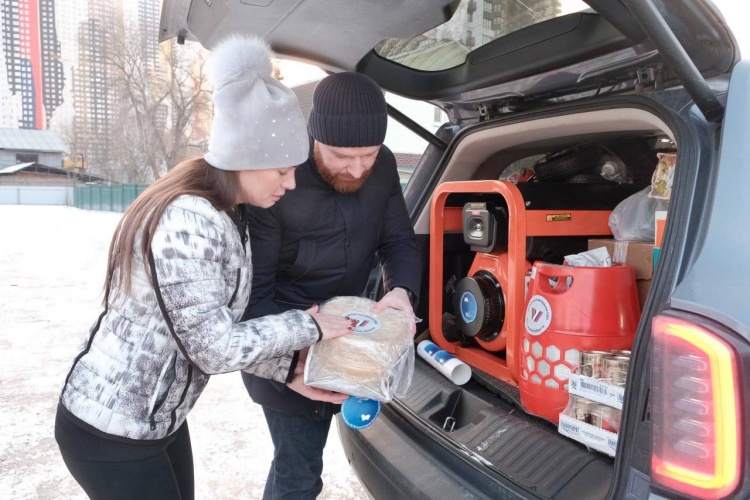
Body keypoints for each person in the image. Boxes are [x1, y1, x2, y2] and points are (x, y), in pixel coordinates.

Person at [54, 36, 355, 500]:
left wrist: (291, 373)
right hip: (109, 434)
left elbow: (213, 327)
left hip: (158, 422)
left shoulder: (232, 214)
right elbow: (213, 349)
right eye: (282, 169)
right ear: (246, 157)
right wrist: (308, 326)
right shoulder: (188, 221)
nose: (292, 183)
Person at [241, 72, 423, 499]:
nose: (357, 168)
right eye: (342, 155)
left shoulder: (382, 170)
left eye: (369, 155)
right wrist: (289, 364)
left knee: (299, 468)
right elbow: (254, 295)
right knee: (299, 472)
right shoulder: (278, 178)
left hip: (353, 336)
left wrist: (402, 291)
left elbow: (398, 240)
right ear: (313, 137)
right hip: (288, 345)